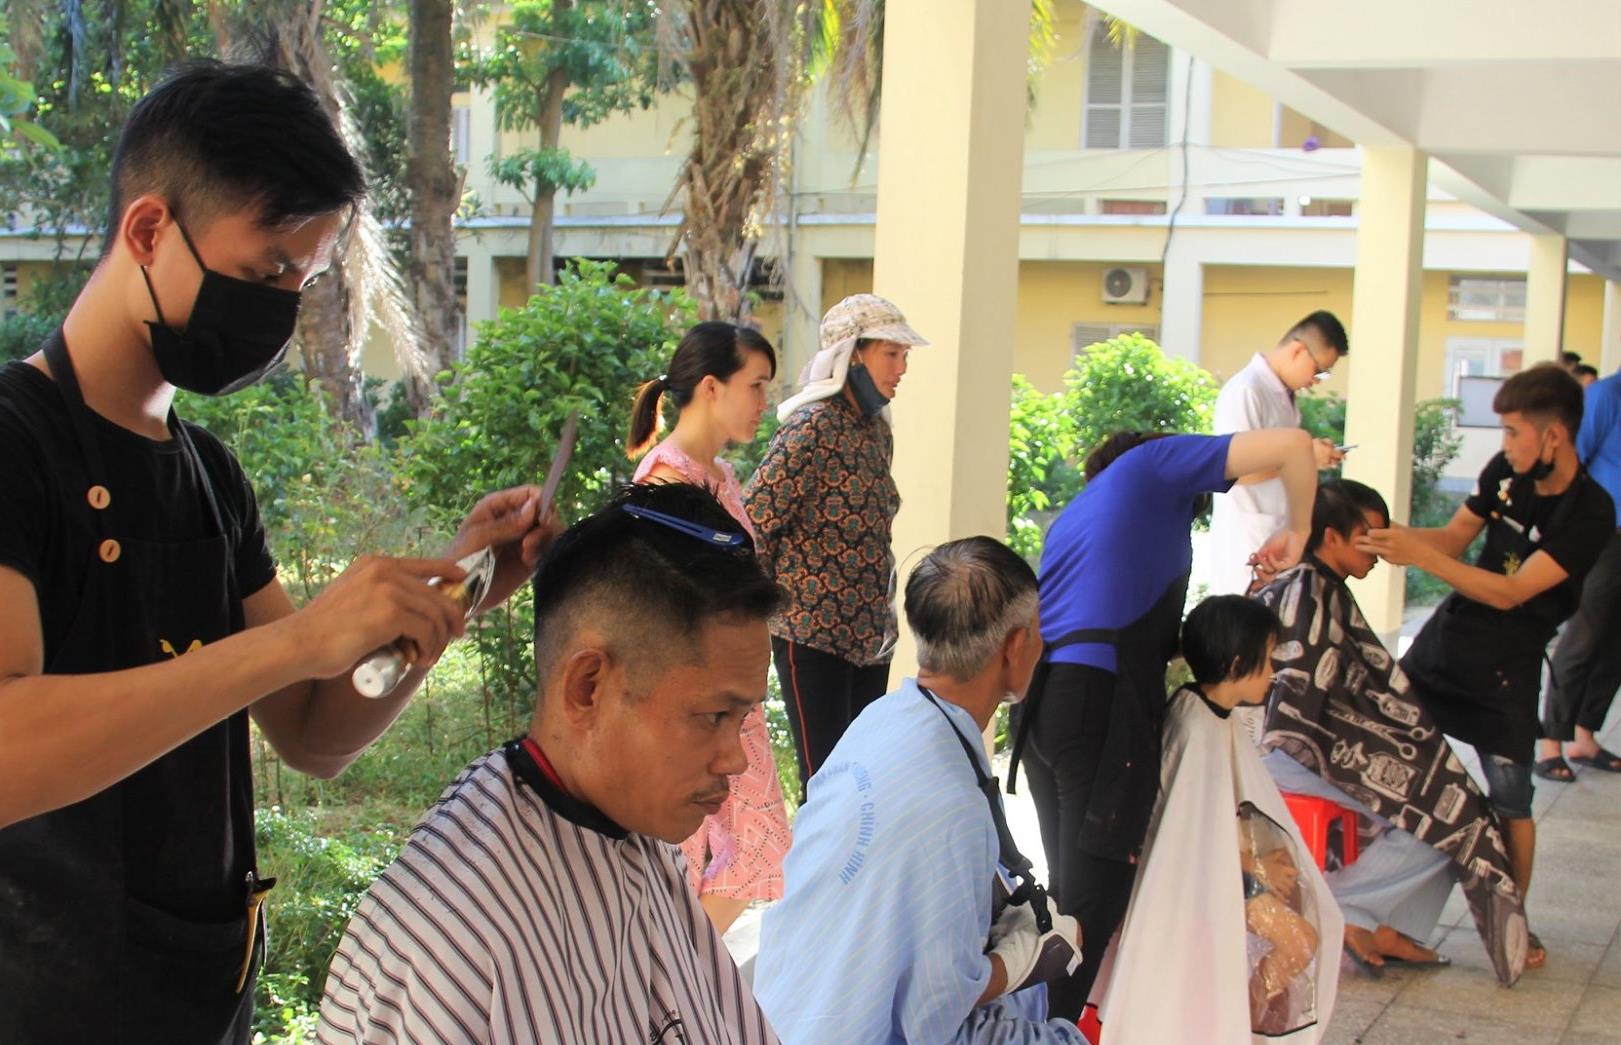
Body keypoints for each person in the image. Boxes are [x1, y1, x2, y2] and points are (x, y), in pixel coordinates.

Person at [0, 62, 553, 1043]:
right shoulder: (15, 442)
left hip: (198, 991)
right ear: (148, 230)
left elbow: (312, 733)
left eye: (303, 279)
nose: (280, 308)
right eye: (265, 272)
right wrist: (296, 641)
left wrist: (453, 594)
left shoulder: (212, 478)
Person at [317, 482, 783, 1044]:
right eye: (712, 716)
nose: (736, 759)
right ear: (588, 686)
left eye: (743, 718)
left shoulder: (633, 832)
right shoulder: (458, 936)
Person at [1014, 426, 1318, 1018]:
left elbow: (1129, 628)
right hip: (1098, 706)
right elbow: (1293, 446)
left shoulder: (1082, 514)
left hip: (1045, 705)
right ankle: (1046, 1032)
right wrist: (1297, 533)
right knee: (1096, 899)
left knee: (1071, 896)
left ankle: (1041, 1023)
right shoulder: (1152, 465)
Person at [754, 537, 1084, 1044]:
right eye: (1039, 631)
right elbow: (935, 1017)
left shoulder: (880, 721)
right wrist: (1024, 964)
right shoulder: (955, 805)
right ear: (1016, 646)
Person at [1363, 364, 1614, 969]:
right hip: (1447, 644)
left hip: (1509, 666)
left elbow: (1511, 592)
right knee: (1390, 768)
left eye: (1513, 432)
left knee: (1510, 799)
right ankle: (1377, 919)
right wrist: (1374, 535)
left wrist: (1419, 556)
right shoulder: (1506, 473)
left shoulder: (1591, 513)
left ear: (1553, 436)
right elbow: (1453, 538)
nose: (1505, 445)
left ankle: (1511, 923)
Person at [1254, 480, 1528, 985]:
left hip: (1313, 747)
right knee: (1451, 819)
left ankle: (1378, 925)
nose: (1379, 549)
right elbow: (1297, 709)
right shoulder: (1304, 589)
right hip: (1292, 753)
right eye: (1369, 535)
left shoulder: (1314, 583)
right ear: (1332, 536)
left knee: (1455, 804)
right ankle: (1349, 910)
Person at [1096, 596, 1341, 1044]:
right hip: (1197, 878)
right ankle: (1237, 1027)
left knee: (1304, 936)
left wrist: (1265, 858)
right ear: (1236, 662)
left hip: (1225, 868)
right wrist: (1255, 868)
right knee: (1299, 941)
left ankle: (1235, 1026)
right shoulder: (1195, 724)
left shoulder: (1216, 716)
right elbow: (1188, 830)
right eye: (1267, 660)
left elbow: (1225, 808)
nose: (1273, 672)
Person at [626, 321, 793, 934]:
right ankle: (671, 979)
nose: (764, 401)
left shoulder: (719, 474)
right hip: (696, 700)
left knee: (748, 851)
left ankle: (676, 977)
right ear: (711, 386)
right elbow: (663, 604)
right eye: (756, 385)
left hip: (731, 698)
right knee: (703, 853)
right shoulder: (665, 479)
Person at [745, 293, 927, 797]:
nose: (902, 368)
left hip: (870, 642)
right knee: (827, 786)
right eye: (891, 354)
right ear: (853, 354)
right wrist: (755, 619)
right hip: (813, 638)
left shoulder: (876, 432)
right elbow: (754, 522)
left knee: (863, 784)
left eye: (905, 355)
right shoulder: (811, 428)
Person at [1208, 311, 1349, 598]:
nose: (1317, 381)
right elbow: (1233, 471)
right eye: (1319, 370)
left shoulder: (1282, 395)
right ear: (1298, 350)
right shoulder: (1246, 391)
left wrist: (1309, 460)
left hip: (1277, 537)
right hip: (1247, 540)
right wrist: (1304, 458)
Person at [1537, 365, 1621, 778]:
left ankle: (1584, 737)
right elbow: (1572, 461)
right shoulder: (1606, 395)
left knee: (1616, 642)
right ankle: (1550, 744)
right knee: (1584, 636)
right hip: (1607, 535)